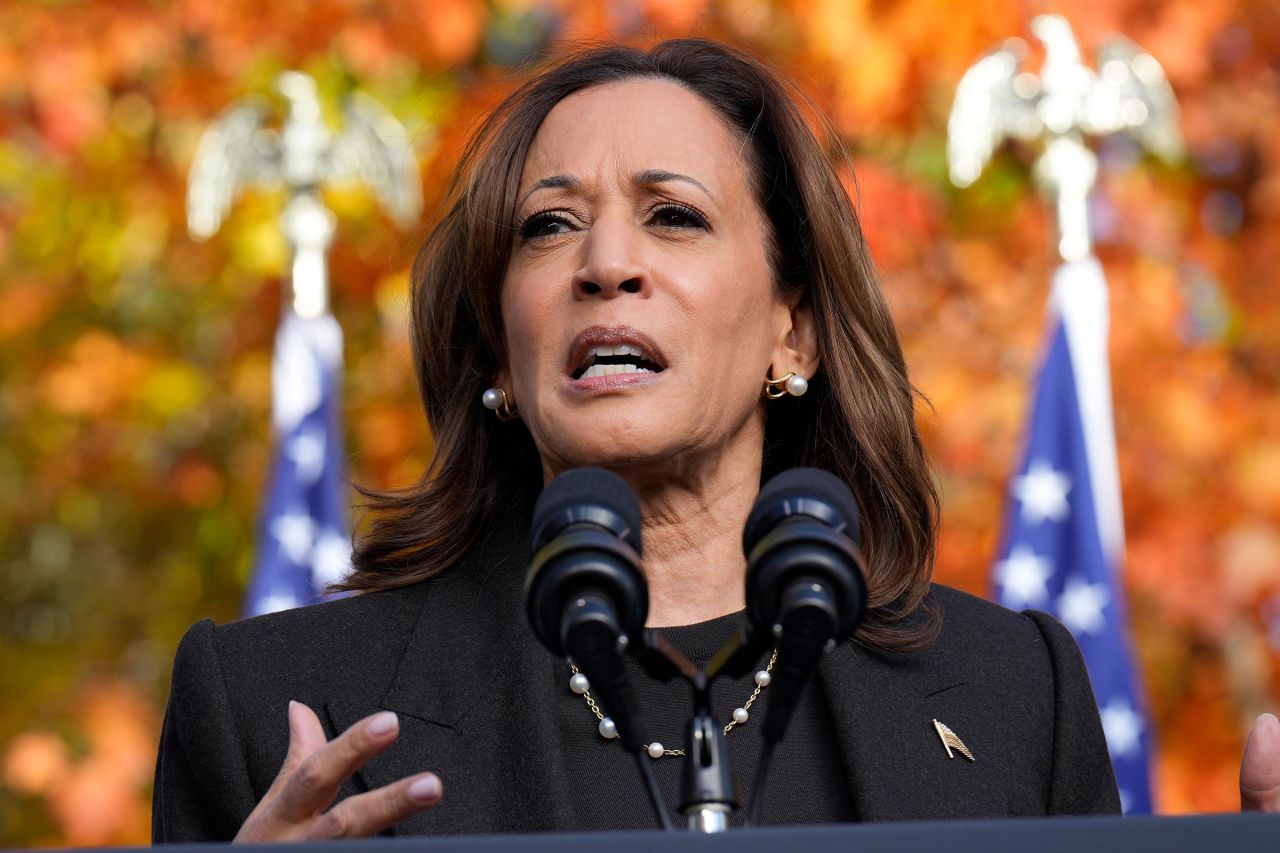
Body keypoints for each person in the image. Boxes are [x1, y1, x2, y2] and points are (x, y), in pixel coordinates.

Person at [151, 38, 1280, 842]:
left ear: (793, 328)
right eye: (547, 226)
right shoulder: (277, 709)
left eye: (672, 214)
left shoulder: (1008, 697)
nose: (604, 261)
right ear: (500, 346)